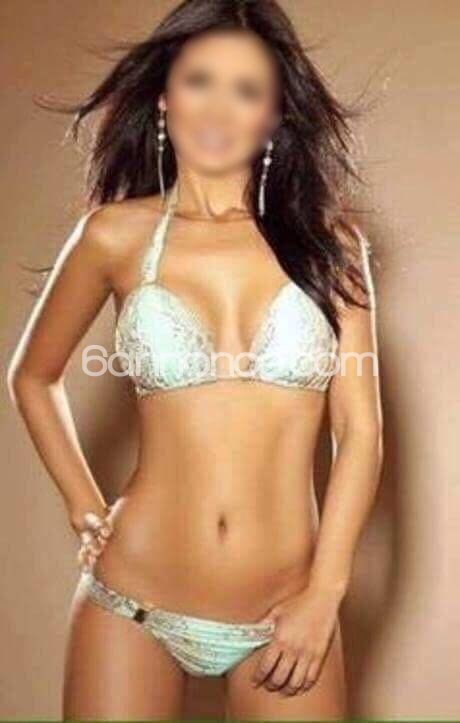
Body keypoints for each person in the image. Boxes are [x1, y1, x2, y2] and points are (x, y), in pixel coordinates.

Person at [6, 0, 383, 719]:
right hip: (133, 602)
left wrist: (325, 592)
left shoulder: (330, 245)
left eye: (246, 90)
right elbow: (33, 376)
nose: (217, 108)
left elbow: (360, 431)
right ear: (163, 96)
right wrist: (83, 505)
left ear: (274, 114)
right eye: (199, 80)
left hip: (285, 612)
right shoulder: (114, 235)